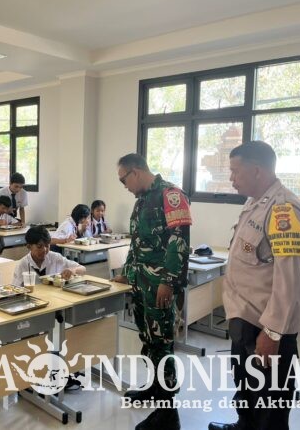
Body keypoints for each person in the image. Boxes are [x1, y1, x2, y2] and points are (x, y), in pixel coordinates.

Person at [208, 141, 300, 430]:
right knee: (247, 389)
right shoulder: (256, 202)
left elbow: (289, 280)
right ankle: (244, 425)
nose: (231, 178)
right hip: (244, 320)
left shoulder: (284, 210)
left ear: (256, 170)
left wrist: (272, 332)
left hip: (265, 327)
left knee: (270, 401)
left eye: (235, 171)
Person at [113, 153, 191, 430]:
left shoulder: (171, 195)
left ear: (135, 172)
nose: (124, 186)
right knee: (148, 340)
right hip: (141, 284)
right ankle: (155, 388)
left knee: (162, 344)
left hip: (159, 287)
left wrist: (168, 281)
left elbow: (179, 242)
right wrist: (127, 272)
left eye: (124, 180)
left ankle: (168, 413)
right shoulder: (142, 200)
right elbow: (137, 244)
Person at [12, 226, 85, 285]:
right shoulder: (22, 265)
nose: (44, 250)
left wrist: (73, 270)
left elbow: (82, 268)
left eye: (47, 245)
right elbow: (16, 289)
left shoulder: (55, 257)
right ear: (29, 247)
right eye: (39, 246)